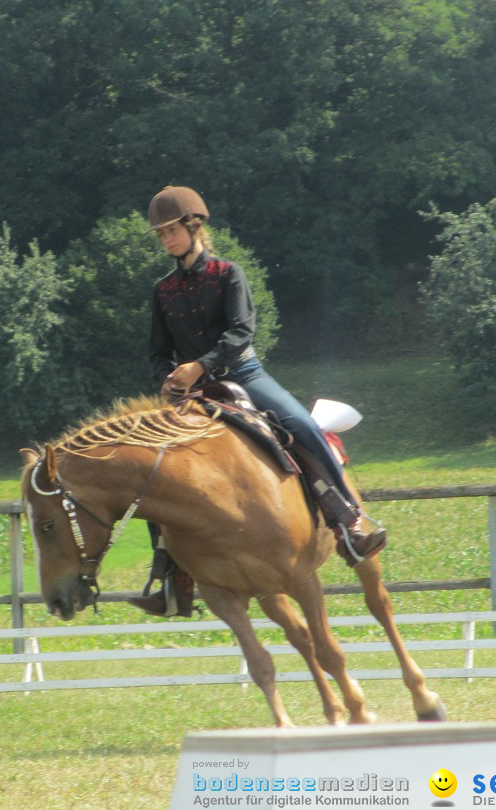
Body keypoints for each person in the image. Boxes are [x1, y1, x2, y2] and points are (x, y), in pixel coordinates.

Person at [127, 185, 388, 618]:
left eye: (172, 230)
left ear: (194, 227)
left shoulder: (229, 274)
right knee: (157, 467)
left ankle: (350, 520)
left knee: (303, 427)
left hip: (244, 375)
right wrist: (168, 379)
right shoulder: (164, 290)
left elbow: (240, 332)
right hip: (192, 393)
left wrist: (199, 366)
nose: (167, 240)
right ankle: (171, 576)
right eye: (162, 234)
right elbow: (158, 351)